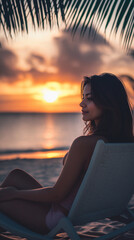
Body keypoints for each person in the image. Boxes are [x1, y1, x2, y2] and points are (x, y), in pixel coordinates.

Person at [0, 73, 133, 234]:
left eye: (89, 98)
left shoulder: (84, 144)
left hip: (53, 219)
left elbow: (56, 195)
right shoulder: (122, 143)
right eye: (83, 97)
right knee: (16, 176)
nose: (81, 103)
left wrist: (15, 194)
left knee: (5, 195)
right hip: (74, 210)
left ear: (108, 103)